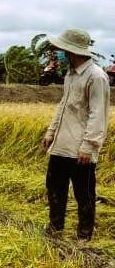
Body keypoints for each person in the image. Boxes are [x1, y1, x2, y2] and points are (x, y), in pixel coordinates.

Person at [41, 29, 110, 240]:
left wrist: (89, 146)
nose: (60, 54)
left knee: (84, 194)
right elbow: (63, 106)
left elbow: (98, 114)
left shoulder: (96, 77)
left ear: (72, 51)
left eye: (62, 50)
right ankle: (55, 227)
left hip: (81, 149)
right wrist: (51, 132)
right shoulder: (70, 75)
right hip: (62, 143)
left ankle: (84, 236)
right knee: (54, 187)